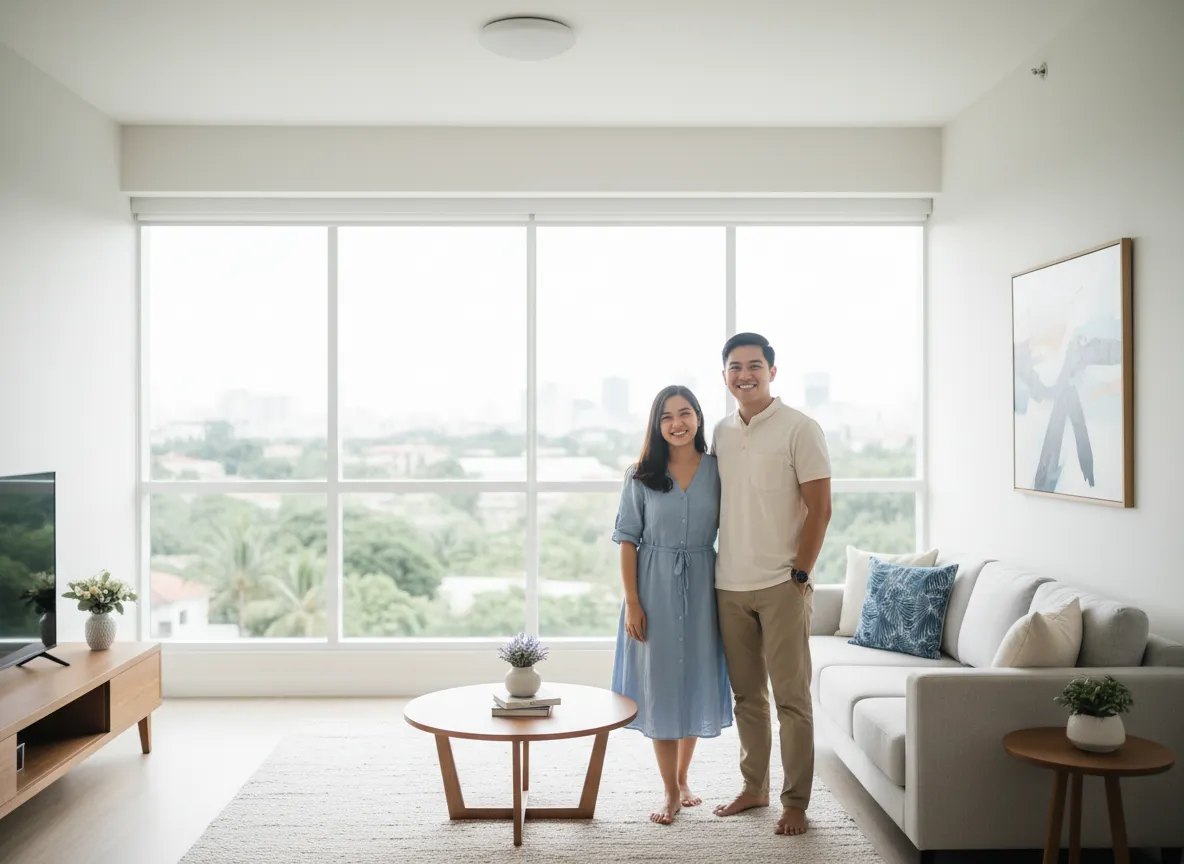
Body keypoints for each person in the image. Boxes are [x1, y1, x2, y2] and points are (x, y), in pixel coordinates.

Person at [710, 332, 832, 837]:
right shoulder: (719, 431)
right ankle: (754, 787)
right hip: (729, 585)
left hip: (783, 584)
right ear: (725, 376)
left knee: (791, 699)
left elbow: (820, 509)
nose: (745, 374)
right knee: (747, 699)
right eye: (735, 367)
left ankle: (796, 801)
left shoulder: (800, 428)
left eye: (755, 365)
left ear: (773, 372)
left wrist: (800, 574)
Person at [610, 384, 733, 826]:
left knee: (694, 682)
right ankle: (669, 792)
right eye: (667, 416)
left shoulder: (720, 470)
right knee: (662, 689)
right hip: (653, 587)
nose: (677, 423)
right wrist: (633, 602)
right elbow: (627, 540)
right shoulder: (640, 475)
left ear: (698, 418)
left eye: (685, 413)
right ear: (656, 425)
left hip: (704, 586)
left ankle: (683, 779)